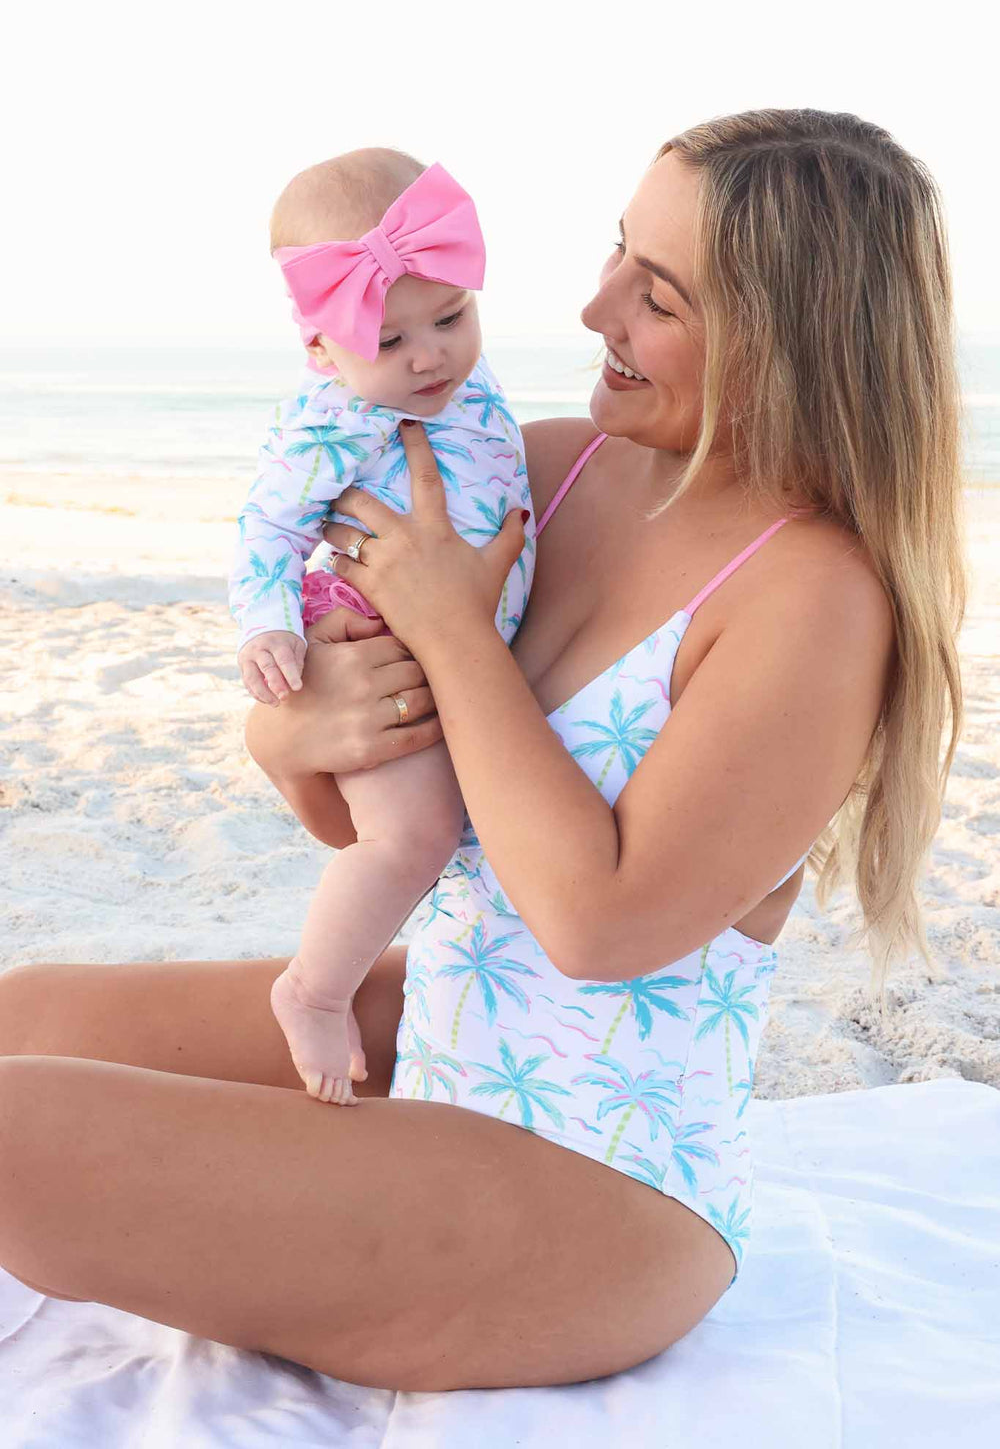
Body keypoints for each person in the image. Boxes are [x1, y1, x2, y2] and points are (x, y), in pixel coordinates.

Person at [0, 110, 964, 1394]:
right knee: (21, 1021)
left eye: (654, 292)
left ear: (781, 338)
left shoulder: (813, 599)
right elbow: (356, 814)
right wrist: (290, 725)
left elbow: (598, 927)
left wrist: (455, 634)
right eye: (617, 250)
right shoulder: (540, 474)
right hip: (448, 1040)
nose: (590, 306)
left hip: (598, 1192)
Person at [229, 149, 534, 1104]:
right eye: (391, 340)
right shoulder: (332, 422)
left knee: (450, 828)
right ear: (323, 350)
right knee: (414, 836)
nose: (429, 355)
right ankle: (315, 989)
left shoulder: (466, 395)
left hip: (450, 644)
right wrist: (270, 627)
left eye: (451, 318)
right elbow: (267, 527)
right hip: (372, 637)